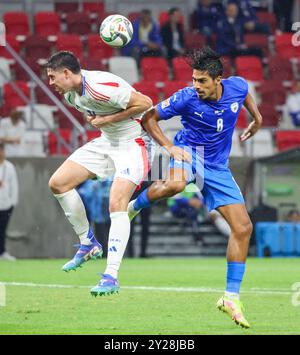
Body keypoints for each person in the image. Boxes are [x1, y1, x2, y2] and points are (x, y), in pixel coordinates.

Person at [128, 46, 263, 328]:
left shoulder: (236, 86)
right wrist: (168, 148)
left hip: (217, 167)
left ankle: (230, 297)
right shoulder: (186, 98)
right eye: (194, 79)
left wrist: (257, 118)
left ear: (218, 80)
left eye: (201, 81)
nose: (195, 85)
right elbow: (148, 117)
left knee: (243, 228)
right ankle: (132, 207)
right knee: (174, 185)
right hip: (187, 152)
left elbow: (245, 93)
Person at [46, 51, 152, 297]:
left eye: (53, 77)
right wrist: (105, 123)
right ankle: (88, 243)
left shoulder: (100, 87)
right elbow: (100, 120)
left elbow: (145, 103)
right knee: (58, 183)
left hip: (134, 142)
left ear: (66, 73)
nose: (50, 83)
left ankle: (111, 275)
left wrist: (108, 119)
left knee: (117, 202)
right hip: (108, 141)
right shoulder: (72, 95)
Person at [0, 143, 18, 261]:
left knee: (2, 229)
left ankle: (2, 252)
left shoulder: (9, 166)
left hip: (5, 204)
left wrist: (13, 203)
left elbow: (14, 185)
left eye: (2, 150)